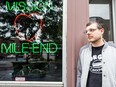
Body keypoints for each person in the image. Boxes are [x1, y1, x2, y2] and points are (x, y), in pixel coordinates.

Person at [76, 18, 116, 87]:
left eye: (91, 30)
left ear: (101, 31)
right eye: (87, 31)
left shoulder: (113, 49)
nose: (88, 33)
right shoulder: (83, 51)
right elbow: (80, 74)